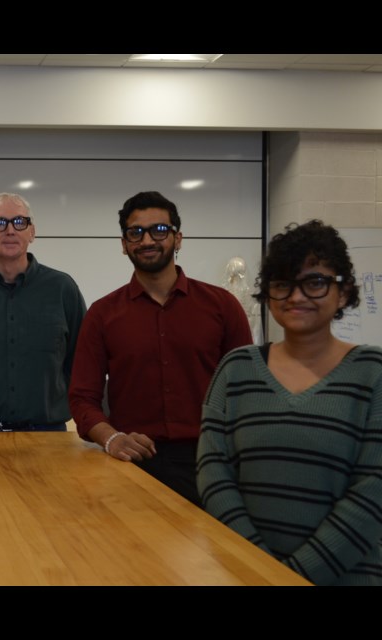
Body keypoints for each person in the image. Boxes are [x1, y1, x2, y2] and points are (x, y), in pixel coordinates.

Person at [198, 220, 382, 585]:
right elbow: (213, 475)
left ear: (343, 292)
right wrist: (258, 569)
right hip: (246, 575)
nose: (296, 297)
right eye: (282, 284)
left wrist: (290, 578)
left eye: (314, 282)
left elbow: (373, 492)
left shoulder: (373, 373)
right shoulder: (236, 369)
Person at [69, 191, 252, 504]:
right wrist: (111, 438)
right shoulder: (102, 314)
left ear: (178, 239)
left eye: (160, 230)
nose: (147, 240)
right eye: (135, 232)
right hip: (131, 463)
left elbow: (247, 390)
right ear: (124, 244)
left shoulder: (222, 306)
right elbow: (82, 399)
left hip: (210, 465)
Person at [0, 192, 85, 431]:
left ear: (31, 232)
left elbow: (82, 361)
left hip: (47, 437)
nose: (10, 230)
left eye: (19, 222)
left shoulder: (62, 289)